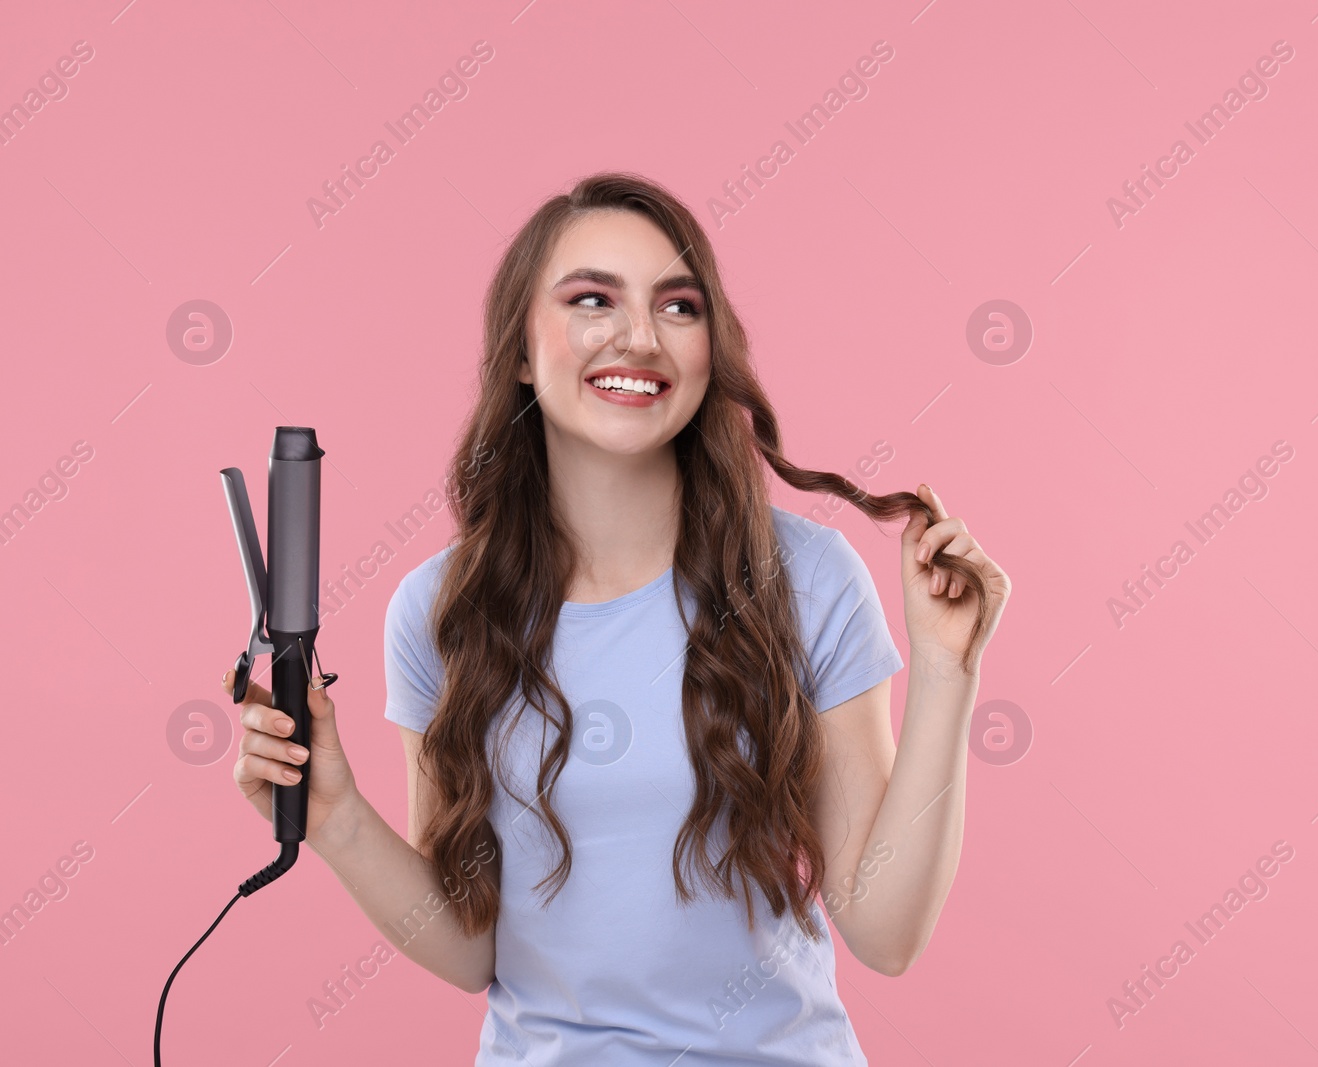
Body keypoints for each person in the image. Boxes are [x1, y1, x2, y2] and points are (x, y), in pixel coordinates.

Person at [222, 171, 1009, 1065]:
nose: (640, 336)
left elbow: (887, 932)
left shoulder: (806, 578)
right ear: (522, 349)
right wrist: (335, 817)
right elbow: (472, 946)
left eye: (678, 306)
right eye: (592, 299)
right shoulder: (442, 610)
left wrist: (948, 675)